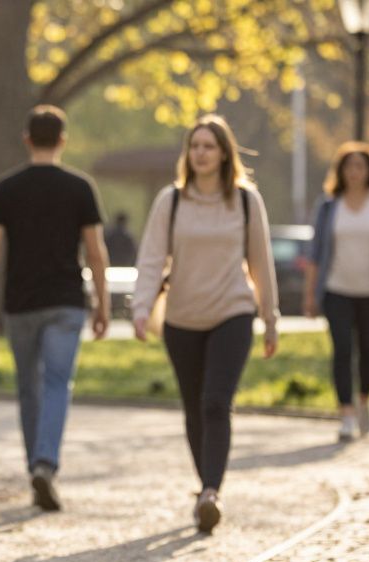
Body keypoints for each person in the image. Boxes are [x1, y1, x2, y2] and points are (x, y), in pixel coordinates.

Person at [132, 115, 279, 534]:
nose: (200, 153)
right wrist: (142, 307)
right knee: (195, 408)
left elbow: (261, 263)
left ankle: (212, 490)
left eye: (208, 146)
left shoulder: (247, 201)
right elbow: (151, 257)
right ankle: (204, 488)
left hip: (233, 312)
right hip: (181, 318)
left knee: (216, 402)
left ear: (224, 153)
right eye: (194, 146)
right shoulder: (171, 201)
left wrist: (270, 318)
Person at [0, 105, 110, 512]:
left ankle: (36, 462)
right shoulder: (81, 187)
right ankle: (46, 465)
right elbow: (96, 253)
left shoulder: (6, 189)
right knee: (56, 384)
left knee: (28, 389)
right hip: (67, 301)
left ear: (28, 139)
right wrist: (103, 304)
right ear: (63, 141)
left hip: (21, 303)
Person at [302, 143, 369, 441]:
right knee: (342, 351)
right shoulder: (329, 205)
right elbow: (315, 253)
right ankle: (346, 413)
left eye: (360, 166)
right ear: (341, 171)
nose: (355, 172)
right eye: (349, 166)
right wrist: (310, 295)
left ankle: (364, 399)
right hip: (336, 290)